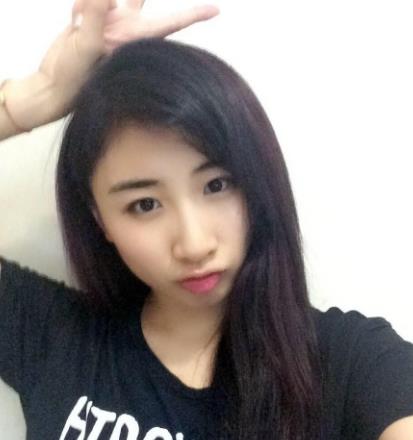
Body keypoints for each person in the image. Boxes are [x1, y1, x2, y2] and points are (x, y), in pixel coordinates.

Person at [1, 1, 413, 439]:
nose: (194, 245)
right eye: (145, 204)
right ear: (99, 218)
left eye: (217, 185)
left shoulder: (355, 363)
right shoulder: (55, 335)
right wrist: (36, 97)